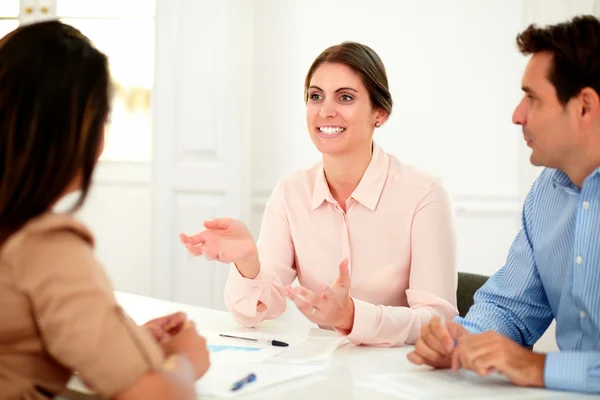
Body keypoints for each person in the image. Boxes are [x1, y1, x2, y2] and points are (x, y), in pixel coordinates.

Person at [180, 41, 458, 347]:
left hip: (401, 372)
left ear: (380, 112)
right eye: (316, 96)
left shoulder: (424, 194)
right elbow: (254, 314)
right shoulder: (291, 193)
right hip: (325, 366)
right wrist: (249, 263)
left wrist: (353, 316)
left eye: (345, 97)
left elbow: (436, 320)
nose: (326, 111)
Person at [0, 21, 209, 399]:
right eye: (104, 119)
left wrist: (123, 343)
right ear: (72, 130)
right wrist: (186, 361)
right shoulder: (44, 245)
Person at [407, 15, 600, 394]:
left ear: (584, 107)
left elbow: (533, 364)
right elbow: (512, 307)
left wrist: (536, 366)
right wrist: (459, 342)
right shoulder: (547, 192)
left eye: (532, 98)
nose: (518, 115)